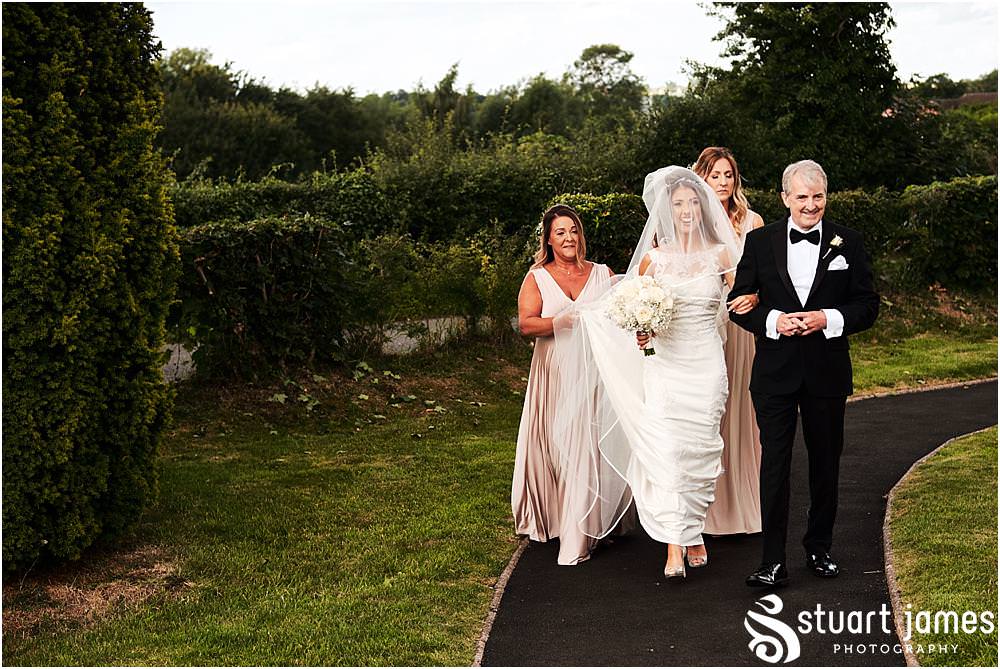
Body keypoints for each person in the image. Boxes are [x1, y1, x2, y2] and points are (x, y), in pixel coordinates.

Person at [570, 166, 756, 579]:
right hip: (665, 366)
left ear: (704, 206)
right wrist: (642, 328)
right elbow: (631, 305)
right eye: (678, 203)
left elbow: (746, 295)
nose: (687, 210)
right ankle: (677, 542)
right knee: (670, 451)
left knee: (701, 451)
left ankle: (693, 534)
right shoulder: (653, 259)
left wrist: (754, 301)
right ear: (665, 210)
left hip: (706, 364)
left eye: (693, 202)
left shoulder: (723, 254)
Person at [728, 160, 879, 587]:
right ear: (784, 198)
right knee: (774, 464)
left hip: (827, 371)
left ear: (826, 197)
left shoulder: (849, 242)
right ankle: (772, 561)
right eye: (802, 197)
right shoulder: (759, 241)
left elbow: (867, 305)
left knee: (825, 463)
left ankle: (820, 548)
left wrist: (826, 318)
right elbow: (739, 302)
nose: (811, 206)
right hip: (774, 373)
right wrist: (774, 321)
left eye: (818, 197)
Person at [511, 203, 623, 565]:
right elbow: (527, 325)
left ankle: (588, 528)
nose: (569, 237)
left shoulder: (603, 273)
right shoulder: (537, 276)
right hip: (555, 372)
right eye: (560, 232)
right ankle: (560, 519)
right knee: (559, 447)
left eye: (573, 230)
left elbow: (623, 311)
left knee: (591, 445)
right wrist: (566, 320)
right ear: (548, 239)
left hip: (594, 372)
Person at [692, 147, 765, 543]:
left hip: (742, 330)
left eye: (728, 175)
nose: (722, 182)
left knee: (744, 409)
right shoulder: (690, 222)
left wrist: (754, 297)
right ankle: (706, 506)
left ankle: (746, 503)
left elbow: (768, 275)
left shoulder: (751, 221)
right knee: (709, 414)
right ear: (701, 178)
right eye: (715, 175)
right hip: (703, 331)